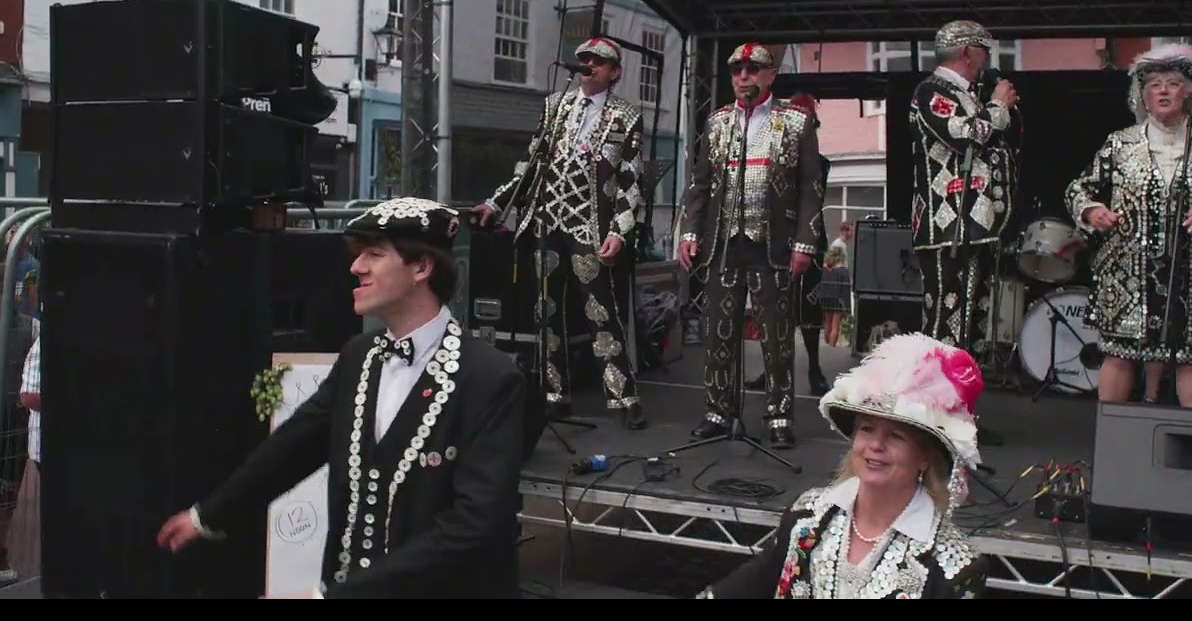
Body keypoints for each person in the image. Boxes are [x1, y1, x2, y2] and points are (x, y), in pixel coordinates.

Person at [156, 197, 529, 599]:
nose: (356, 267)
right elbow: (293, 447)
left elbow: (473, 526)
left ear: (422, 267)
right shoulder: (359, 356)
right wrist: (207, 515)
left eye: (375, 254)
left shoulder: (490, 378)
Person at [693, 332, 988, 599]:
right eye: (867, 429)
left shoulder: (954, 567)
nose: (876, 444)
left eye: (896, 436)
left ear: (925, 457)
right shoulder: (807, 517)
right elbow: (748, 584)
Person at [473, 36, 648, 430]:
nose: (589, 65)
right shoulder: (556, 105)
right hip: (547, 221)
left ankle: (624, 396)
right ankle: (554, 395)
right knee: (546, 312)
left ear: (614, 72)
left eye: (598, 61)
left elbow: (631, 180)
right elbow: (530, 162)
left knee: (600, 311)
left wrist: (620, 230)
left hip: (589, 225)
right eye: (584, 59)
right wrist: (497, 203)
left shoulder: (626, 115)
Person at [1065, 43, 1192, 408]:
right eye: (1154, 85)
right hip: (1128, 274)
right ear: (1143, 97)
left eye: (1173, 83)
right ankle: (1112, 438)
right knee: (1120, 354)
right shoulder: (1120, 144)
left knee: (1191, 359)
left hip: (1190, 274)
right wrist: (1092, 211)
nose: (1163, 91)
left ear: (1189, 93)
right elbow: (1077, 189)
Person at [677, 43, 825, 449]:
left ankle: (779, 415)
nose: (744, 76)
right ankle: (717, 411)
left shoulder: (796, 121)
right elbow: (700, 183)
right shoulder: (718, 122)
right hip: (723, 245)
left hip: (773, 245)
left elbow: (811, 188)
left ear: (771, 74)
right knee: (717, 333)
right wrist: (689, 233)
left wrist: (805, 242)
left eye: (753, 68)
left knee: (776, 337)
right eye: (736, 70)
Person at [909, 20, 1019, 354]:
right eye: (984, 50)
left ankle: (962, 384)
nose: (987, 59)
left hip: (974, 226)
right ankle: (936, 385)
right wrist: (998, 105)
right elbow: (967, 135)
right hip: (948, 225)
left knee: (972, 324)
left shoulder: (967, 94)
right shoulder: (931, 91)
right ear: (967, 52)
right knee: (946, 321)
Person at [745, 92, 831, 397]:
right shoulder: (774, 156)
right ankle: (774, 371)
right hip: (776, 237)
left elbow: (812, 196)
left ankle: (814, 370)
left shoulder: (818, 163)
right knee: (770, 306)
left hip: (807, 239)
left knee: (807, 308)